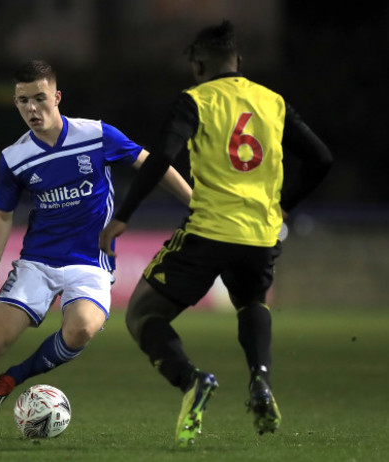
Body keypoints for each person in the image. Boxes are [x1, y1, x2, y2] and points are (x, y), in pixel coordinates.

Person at [0, 60, 192, 437]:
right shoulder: (14, 158)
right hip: (37, 262)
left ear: (56, 97)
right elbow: (1, 216)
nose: (31, 108)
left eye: (39, 98)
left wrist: (194, 201)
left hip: (90, 262)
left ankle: (14, 378)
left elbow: (152, 164)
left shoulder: (95, 135)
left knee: (81, 329)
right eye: (22, 101)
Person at [99, 21, 333, 447]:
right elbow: (321, 158)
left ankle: (193, 380)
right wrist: (285, 203)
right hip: (261, 235)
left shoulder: (196, 100)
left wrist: (124, 214)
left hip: (208, 229)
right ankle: (260, 382)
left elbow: (162, 157)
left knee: (142, 315)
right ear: (238, 61)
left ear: (198, 65)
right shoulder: (273, 102)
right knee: (251, 302)